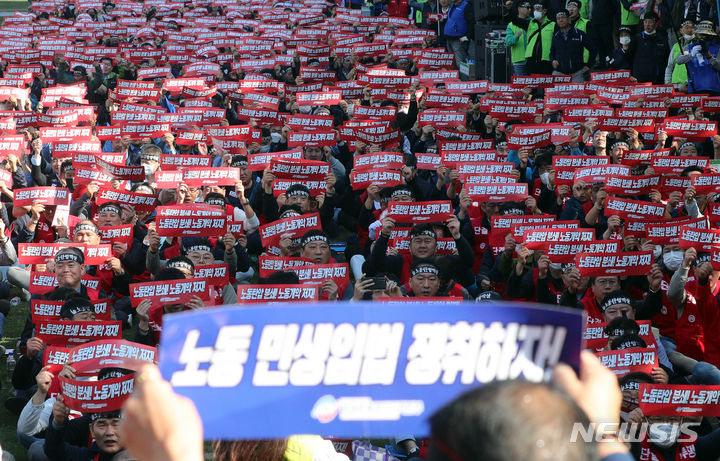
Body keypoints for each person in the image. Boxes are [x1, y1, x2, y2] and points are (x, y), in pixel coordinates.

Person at [550, 9, 594, 82]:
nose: (560, 20)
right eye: (558, 18)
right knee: (554, 93)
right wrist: (553, 60)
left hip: (577, 73)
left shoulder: (579, 34)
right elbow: (552, 52)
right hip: (559, 73)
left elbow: (593, 49)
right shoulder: (555, 36)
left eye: (563, 18)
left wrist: (588, 65)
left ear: (569, 19)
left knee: (579, 93)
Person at [631, 12, 669, 84]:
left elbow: (666, 57)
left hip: (657, 77)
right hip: (640, 77)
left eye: (650, 22)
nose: (647, 25)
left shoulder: (662, 39)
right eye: (645, 22)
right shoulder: (637, 38)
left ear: (656, 24)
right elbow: (629, 57)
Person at [525, 0, 556, 75]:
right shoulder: (530, 23)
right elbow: (515, 20)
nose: (535, 11)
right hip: (531, 59)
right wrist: (509, 10)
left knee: (546, 84)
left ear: (544, 11)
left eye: (538, 9)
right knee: (531, 85)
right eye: (534, 9)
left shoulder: (553, 24)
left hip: (546, 60)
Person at [506, 1, 532, 76]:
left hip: (532, 59)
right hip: (519, 60)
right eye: (527, 8)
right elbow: (508, 42)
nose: (529, 10)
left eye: (530, 8)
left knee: (533, 84)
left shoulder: (533, 22)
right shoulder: (511, 25)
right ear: (519, 9)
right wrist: (516, 36)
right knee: (521, 85)